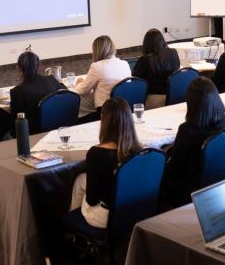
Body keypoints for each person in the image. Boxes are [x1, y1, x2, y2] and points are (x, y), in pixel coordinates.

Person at [160, 77, 225, 208]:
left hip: (191, 191)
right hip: (221, 182)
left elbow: (174, 169)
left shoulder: (187, 130)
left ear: (191, 104)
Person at [70, 98, 142, 228]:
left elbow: (92, 200)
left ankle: (73, 226)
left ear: (104, 121)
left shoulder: (96, 154)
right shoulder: (137, 150)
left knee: (80, 182)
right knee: (82, 180)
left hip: (107, 218)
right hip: (134, 211)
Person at [74, 35, 131, 122]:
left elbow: (83, 90)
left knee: (76, 118)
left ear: (96, 51)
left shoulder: (97, 67)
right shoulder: (125, 64)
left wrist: (79, 84)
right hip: (124, 109)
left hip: (105, 111)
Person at [9, 51, 66, 134]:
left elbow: (15, 121)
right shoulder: (52, 80)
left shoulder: (17, 91)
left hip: (32, 134)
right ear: (38, 66)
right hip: (59, 127)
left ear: (19, 68)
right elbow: (66, 94)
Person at [132, 29, 181, 109]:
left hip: (154, 100)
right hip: (174, 97)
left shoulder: (145, 60)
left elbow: (136, 80)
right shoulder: (173, 53)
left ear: (146, 44)